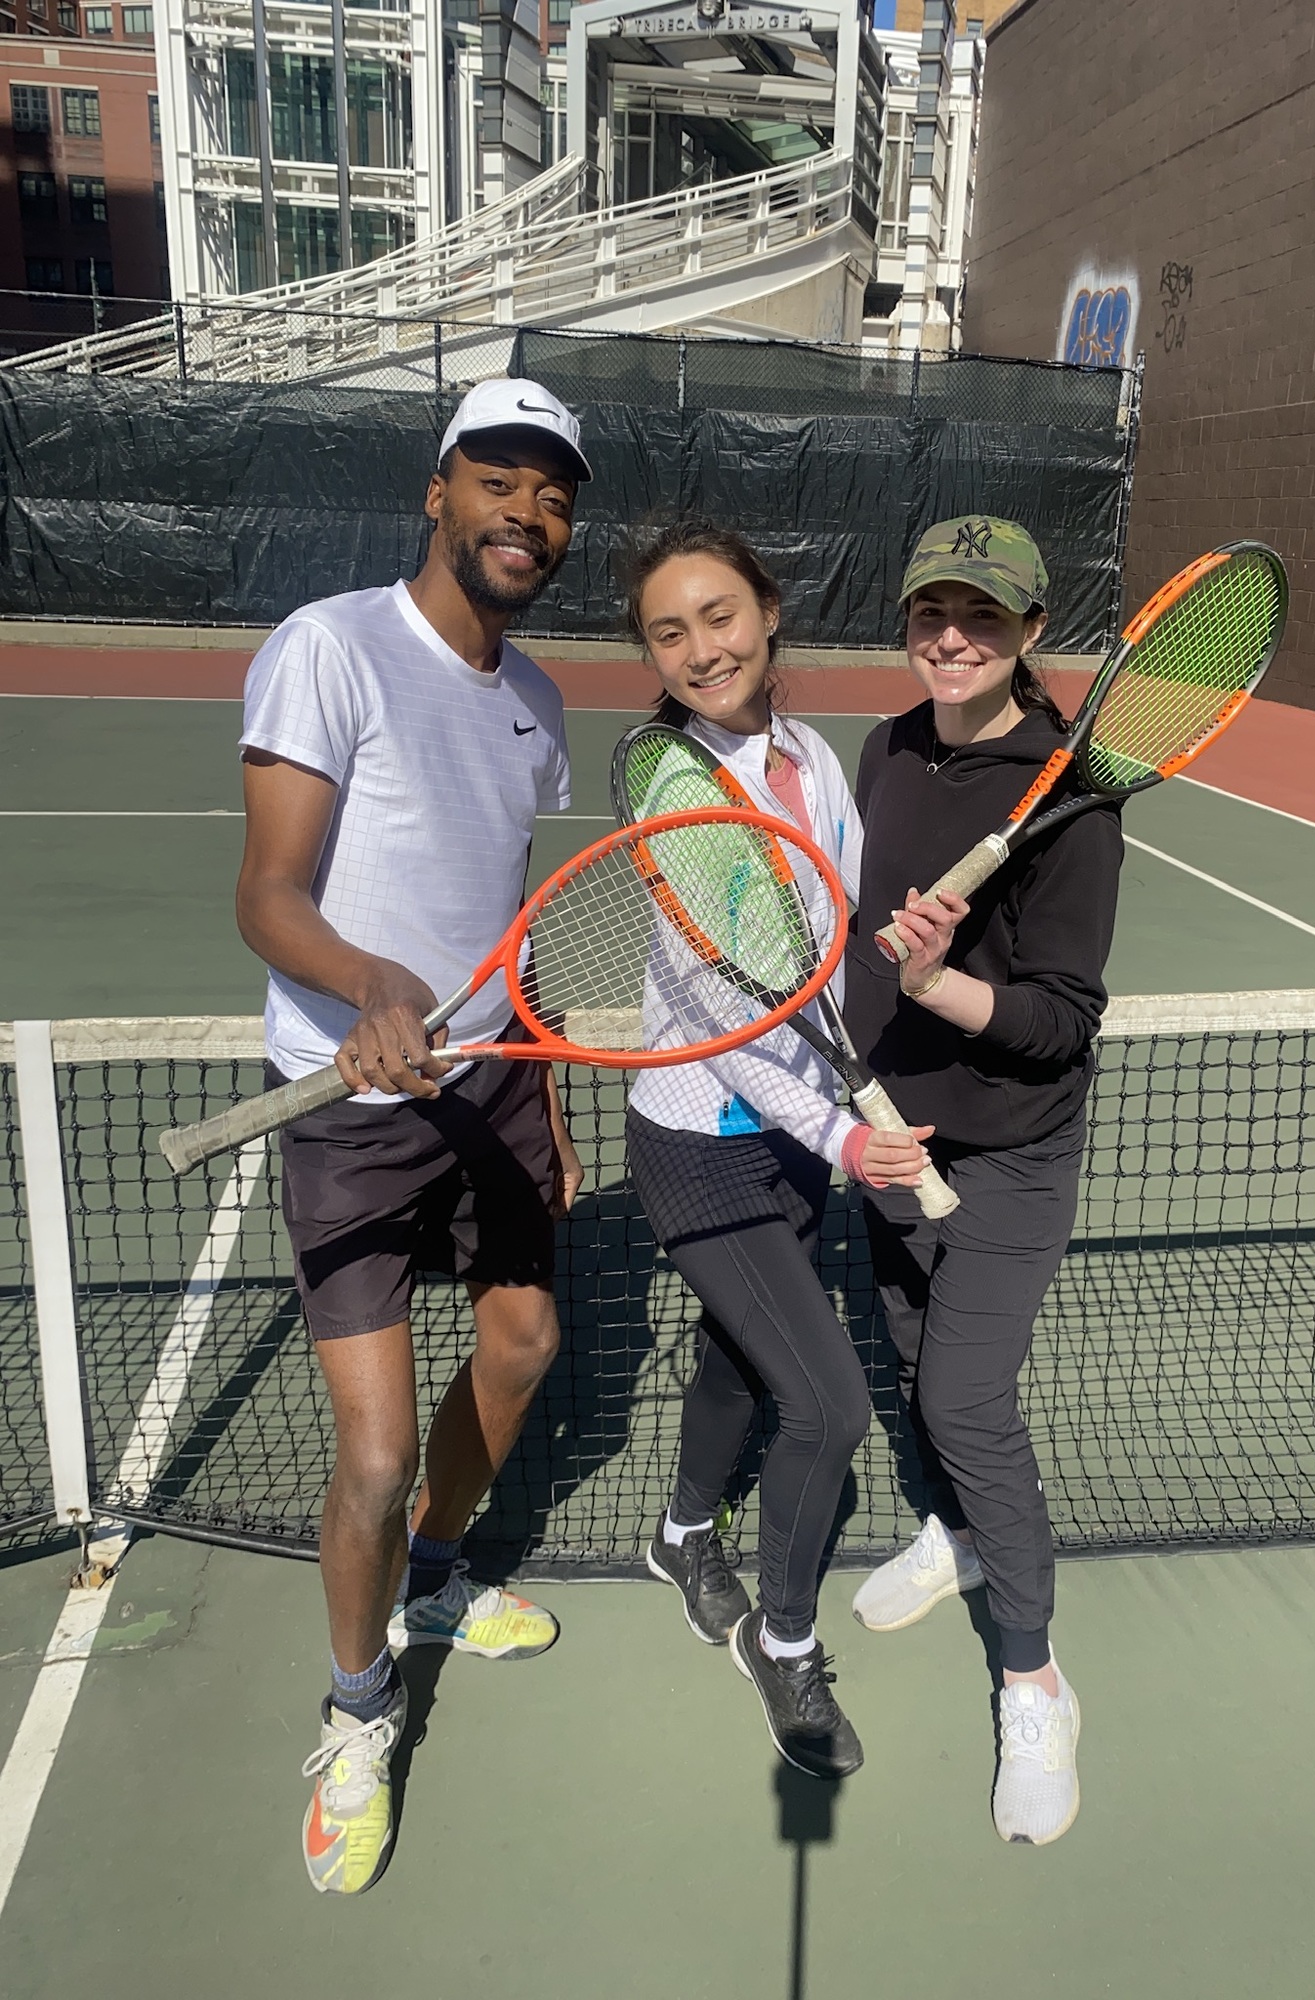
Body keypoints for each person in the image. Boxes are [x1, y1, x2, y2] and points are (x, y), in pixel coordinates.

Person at [235, 379, 591, 1896]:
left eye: (557, 495)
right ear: (437, 490)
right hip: (355, 1107)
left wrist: (547, 1087)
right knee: (372, 1460)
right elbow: (268, 893)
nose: (529, 514)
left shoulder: (540, 704)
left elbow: (506, 919)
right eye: (501, 480)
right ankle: (360, 1708)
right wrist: (368, 984)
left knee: (521, 1349)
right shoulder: (329, 644)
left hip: (492, 1081)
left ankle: (437, 1589)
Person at [620, 520, 933, 1780]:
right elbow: (727, 1011)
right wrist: (842, 1131)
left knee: (741, 1364)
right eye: (669, 631)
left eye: (721, 615)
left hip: (802, 1133)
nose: (703, 648)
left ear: (770, 609)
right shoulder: (669, 779)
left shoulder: (808, 755)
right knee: (830, 1401)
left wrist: (906, 941)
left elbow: (827, 939)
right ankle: (784, 1642)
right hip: (704, 1137)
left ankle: (683, 1529)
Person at [841, 516, 1122, 1845]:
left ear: (1029, 631)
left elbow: (1062, 1019)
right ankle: (952, 1536)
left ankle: (1033, 1675)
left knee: (964, 1395)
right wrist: (855, 1101)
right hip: (894, 1132)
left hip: (1013, 1147)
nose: (950, 638)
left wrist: (942, 984)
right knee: (908, 1361)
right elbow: (852, 938)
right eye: (930, 613)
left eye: (982, 618)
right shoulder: (888, 746)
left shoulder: (1070, 791)